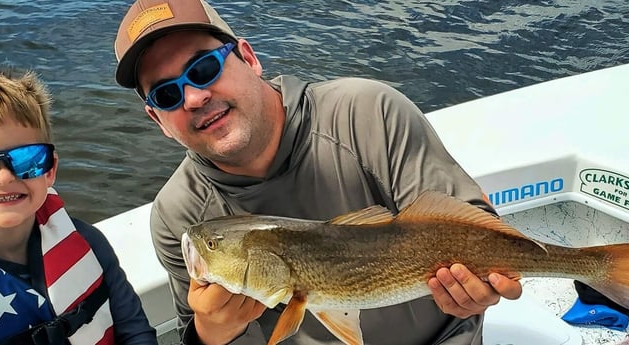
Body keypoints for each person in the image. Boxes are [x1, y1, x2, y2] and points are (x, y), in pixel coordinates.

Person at [113, 0, 523, 344]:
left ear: (249, 58)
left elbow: (470, 219)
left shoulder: (368, 112)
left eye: (204, 68)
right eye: (167, 95)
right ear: (158, 120)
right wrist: (212, 331)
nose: (195, 98)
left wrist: (480, 285)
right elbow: (196, 332)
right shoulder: (177, 214)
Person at [0, 71, 157, 345]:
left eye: (27, 158)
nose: (3, 177)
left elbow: (136, 333)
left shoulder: (88, 242)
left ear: (50, 170)